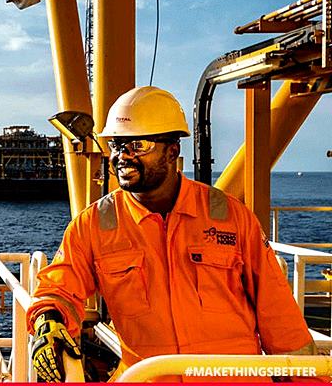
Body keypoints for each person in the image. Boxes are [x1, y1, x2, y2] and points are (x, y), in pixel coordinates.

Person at [29, 86, 317, 382]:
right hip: (149, 378)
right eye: (116, 145)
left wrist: (305, 377)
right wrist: (48, 320)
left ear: (172, 151)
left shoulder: (230, 216)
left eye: (137, 145)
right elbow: (59, 288)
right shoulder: (94, 225)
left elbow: (278, 312)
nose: (122, 156)